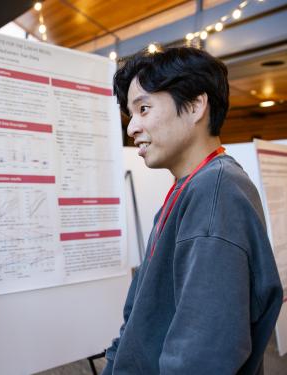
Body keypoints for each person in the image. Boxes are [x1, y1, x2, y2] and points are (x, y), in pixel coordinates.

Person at [103, 47, 283, 374]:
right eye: (132, 114)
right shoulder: (191, 185)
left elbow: (204, 354)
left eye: (144, 108)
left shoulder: (216, 192)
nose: (132, 128)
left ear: (196, 106)